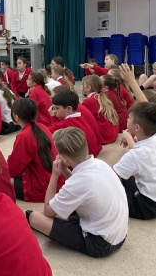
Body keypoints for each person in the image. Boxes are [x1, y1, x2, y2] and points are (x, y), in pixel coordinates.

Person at [27, 127, 128, 258]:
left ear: (64, 159)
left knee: (33, 217)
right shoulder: (100, 163)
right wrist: (65, 170)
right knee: (68, 205)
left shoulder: (78, 182)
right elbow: (78, 188)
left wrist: (55, 175)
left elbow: (48, 211)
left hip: (100, 244)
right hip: (119, 234)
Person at [113, 102, 156, 219]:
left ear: (136, 127)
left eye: (129, 118)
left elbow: (112, 177)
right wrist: (131, 138)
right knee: (127, 173)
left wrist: (128, 136)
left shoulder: (135, 155)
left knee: (111, 185)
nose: (127, 119)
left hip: (146, 207)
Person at [8, 98, 63, 202]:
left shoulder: (23, 136)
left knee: (2, 179)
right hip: (54, 181)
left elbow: (13, 169)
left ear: (16, 117)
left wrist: (10, 158)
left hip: (41, 188)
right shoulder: (42, 127)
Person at [49, 89, 102, 158]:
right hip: (91, 155)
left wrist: (53, 117)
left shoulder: (66, 123)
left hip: (80, 159)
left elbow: (48, 132)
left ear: (69, 109)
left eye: (57, 108)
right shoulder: (80, 117)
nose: (54, 111)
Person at [81, 75, 119, 144]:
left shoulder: (89, 101)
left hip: (103, 136)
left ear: (88, 88)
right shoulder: (101, 96)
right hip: (111, 133)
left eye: (82, 84)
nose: (81, 87)